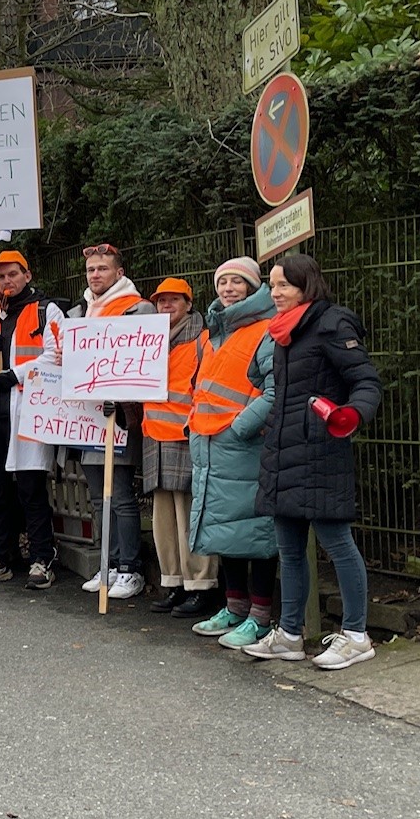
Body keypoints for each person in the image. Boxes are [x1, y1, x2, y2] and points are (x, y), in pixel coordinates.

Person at [244, 255, 383, 670]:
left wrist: (352, 414)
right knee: (289, 550)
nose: (275, 293)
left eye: (283, 285)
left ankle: (357, 635)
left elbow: (366, 381)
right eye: (271, 286)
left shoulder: (331, 324)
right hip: (285, 455)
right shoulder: (285, 333)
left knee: (337, 544)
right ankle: (289, 634)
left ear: (306, 285)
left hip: (321, 453)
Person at [185, 258, 280, 648]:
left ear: (253, 287)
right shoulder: (210, 335)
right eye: (222, 281)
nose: (227, 288)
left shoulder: (266, 331)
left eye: (237, 281)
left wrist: (240, 426)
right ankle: (234, 607)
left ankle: (259, 616)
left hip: (244, 444)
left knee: (255, 531)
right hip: (211, 445)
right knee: (227, 530)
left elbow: (277, 389)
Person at [0, 250, 63, 590]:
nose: (6, 282)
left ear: (27, 274)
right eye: (1, 277)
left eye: (12, 275)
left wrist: (16, 373)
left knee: (30, 486)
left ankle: (42, 556)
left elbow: (55, 354)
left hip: (26, 407)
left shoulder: (44, 310)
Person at [65, 244, 154, 600]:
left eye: (103, 269)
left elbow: (145, 362)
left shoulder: (137, 308)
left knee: (119, 495)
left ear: (119, 273)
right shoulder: (81, 311)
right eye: (90, 270)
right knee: (98, 497)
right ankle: (110, 564)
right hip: (87, 417)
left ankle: (130, 569)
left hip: (118, 418)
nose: (95, 275)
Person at [141, 277, 215, 618]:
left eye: (173, 300)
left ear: (188, 303)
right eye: (161, 301)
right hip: (154, 436)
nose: (166, 306)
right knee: (164, 519)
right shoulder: (148, 339)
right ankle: (173, 582)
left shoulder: (202, 339)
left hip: (186, 436)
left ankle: (201, 586)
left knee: (190, 515)